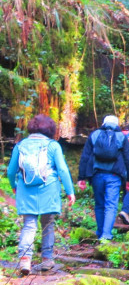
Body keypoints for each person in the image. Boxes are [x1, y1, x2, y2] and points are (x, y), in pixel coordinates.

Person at [7, 115, 76, 275]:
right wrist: (69, 191)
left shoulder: (20, 145)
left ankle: (25, 260)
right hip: (49, 189)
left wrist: (14, 186)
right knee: (48, 224)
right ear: (50, 130)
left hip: (26, 189)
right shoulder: (53, 146)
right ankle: (47, 259)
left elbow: (11, 171)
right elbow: (63, 170)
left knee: (29, 225)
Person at [77, 115, 129, 241]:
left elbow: (85, 157)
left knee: (99, 204)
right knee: (111, 205)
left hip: (96, 175)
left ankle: (99, 232)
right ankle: (106, 235)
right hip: (114, 176)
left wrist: (81, 177)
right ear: (117, 124)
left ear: (103, 123)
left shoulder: (94, 135)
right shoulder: (122, 137)